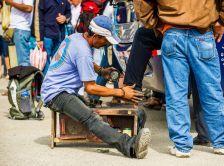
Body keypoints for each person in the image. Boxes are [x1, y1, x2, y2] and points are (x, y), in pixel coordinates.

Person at [134, 0, 224, 157]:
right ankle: (223, 143)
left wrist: (155, 24)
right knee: (211, 90)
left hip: (172, 33)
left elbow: (142, 3)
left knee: (176, 93)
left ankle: (182, 146)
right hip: (202, 33)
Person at [41, 15, 151, 159]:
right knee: (91, 118)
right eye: (105, 40)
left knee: (97, 111)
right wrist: (121, 92)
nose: (105, 44)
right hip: (56, 94)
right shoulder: (83, 51)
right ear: (96, 36)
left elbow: (82, 62)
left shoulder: (77, 38)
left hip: (61, 91)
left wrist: (101, 71)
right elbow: (91, 88)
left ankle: (135, 132)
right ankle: (129, 146)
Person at [124, 27, 209, 146]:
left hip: (176, 30)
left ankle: (131, 89)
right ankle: (207, 134)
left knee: (143, 35)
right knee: (202, 80)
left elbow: (146, 10)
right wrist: (220, 23)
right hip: (203, 30)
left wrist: (160, 25)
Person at [38, 0, 71, 75]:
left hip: (60, 36)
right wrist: (40, 39)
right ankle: (45, 84)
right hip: (47, 36)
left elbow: (69, 14)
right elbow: (39, 18)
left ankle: (54, 84)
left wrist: (65, 18)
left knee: (57, 63)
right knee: (45, 63)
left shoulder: (65, 1)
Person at [5, 0, 34, 66]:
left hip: (21, 29)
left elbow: (29, 8)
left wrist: (11, 2)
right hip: (14, 29)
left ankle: (26, 76)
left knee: (23, 62)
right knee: (14, 63)